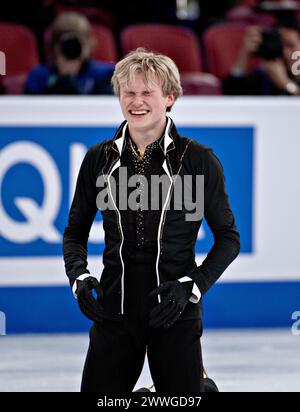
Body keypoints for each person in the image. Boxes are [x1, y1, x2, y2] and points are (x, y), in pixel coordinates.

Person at [63, 48, 240, 392]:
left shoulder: (199, 160)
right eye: (128, 92)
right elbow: (74, 233)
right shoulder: (97, 159)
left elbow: (229, 238)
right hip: (115, 310)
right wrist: (79, 277)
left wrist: (194, 285)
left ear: (170, 97)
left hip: (175, 310)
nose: (136, 101)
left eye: (147, 92)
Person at [25, 12, 114, 95]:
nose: (71, 46)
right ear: (55, 46)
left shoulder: (105, 75)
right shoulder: (38, 76)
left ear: (88, 42)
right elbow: (34, 108)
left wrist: (70, 82)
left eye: (76, 42)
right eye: (66, 43)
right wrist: (63, 79)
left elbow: (100, 108)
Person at [224, 21, 300, 95]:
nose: (284, 52)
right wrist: (244, 54)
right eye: (280, 45)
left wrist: (286, 84)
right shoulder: (264, 76)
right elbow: (231, 95)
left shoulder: (286, 81)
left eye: (290, 46)